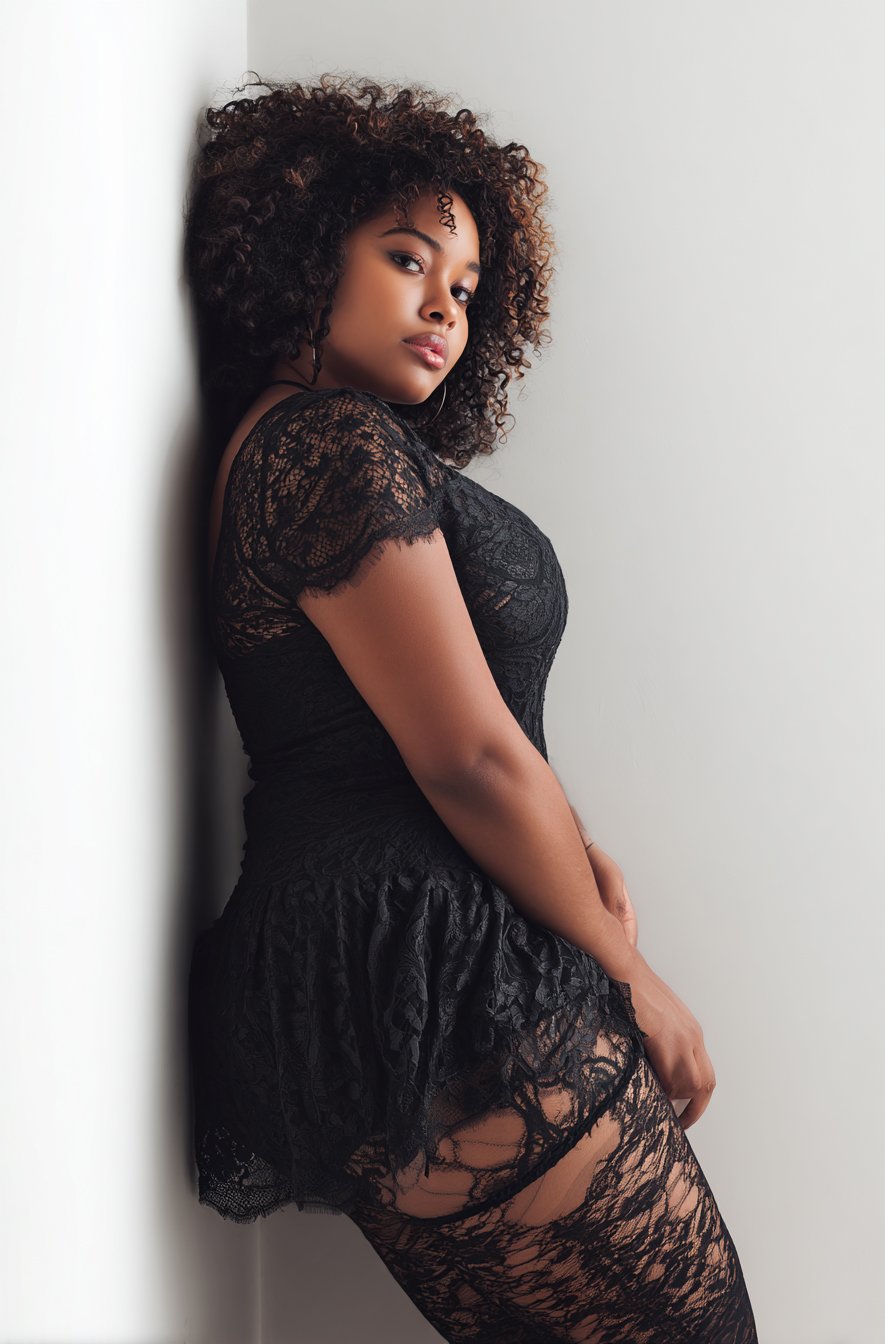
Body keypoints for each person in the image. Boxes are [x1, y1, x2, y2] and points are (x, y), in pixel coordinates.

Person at [184, 71, 759, 1341]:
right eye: (406, 258)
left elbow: (445, 737)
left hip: (385, 953)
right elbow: (464, 760)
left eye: (463, 288)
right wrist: (634, 981)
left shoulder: (301, 443)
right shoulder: (329, 447)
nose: (442, 305)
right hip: (420, 956)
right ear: (297, 249)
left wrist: (566, 848)